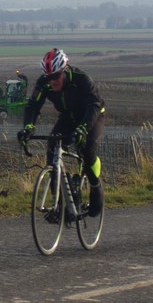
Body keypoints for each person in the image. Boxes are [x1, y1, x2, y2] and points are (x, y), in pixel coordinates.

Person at [17, 48, 106, 218]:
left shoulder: (81, 79)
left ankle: (95, 187)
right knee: (52, 147)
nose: (52, 81)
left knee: (87, 150)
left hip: (92, 116)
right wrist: (28, 127)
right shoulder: (44, 82)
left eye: (56, 76)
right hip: (68, 117)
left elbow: (93, 106)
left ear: (64, 70)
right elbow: (33, 106)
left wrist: (83, 128)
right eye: (49, 77)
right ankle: (59, 203)